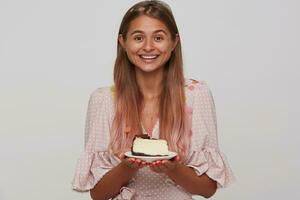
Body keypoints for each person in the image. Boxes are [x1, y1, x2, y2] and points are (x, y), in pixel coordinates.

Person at [72, 1, 235, 199]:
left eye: (158, 37)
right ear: (123, 42)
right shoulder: (104, 100)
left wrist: (172, 169)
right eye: (138, 37)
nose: (148, 47)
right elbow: (98, 194)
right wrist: (127, 167)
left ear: (174, 42)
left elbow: (208, 189)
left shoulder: (196, 95)